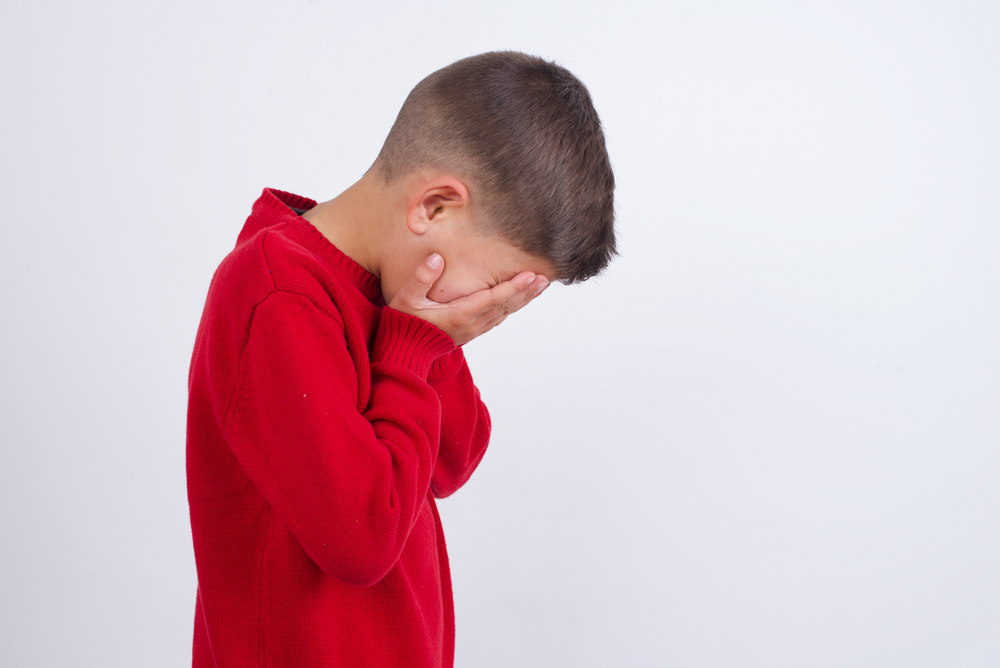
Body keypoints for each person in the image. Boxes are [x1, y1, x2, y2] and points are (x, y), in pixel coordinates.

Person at [186, 50, 616, 668]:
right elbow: (360, 540)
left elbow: (451, 458)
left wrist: (427, 341)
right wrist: (412, 347)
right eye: (496, 279)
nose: (491, 304)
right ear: (434, 206)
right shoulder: (274, 293)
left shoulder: (393, 298)